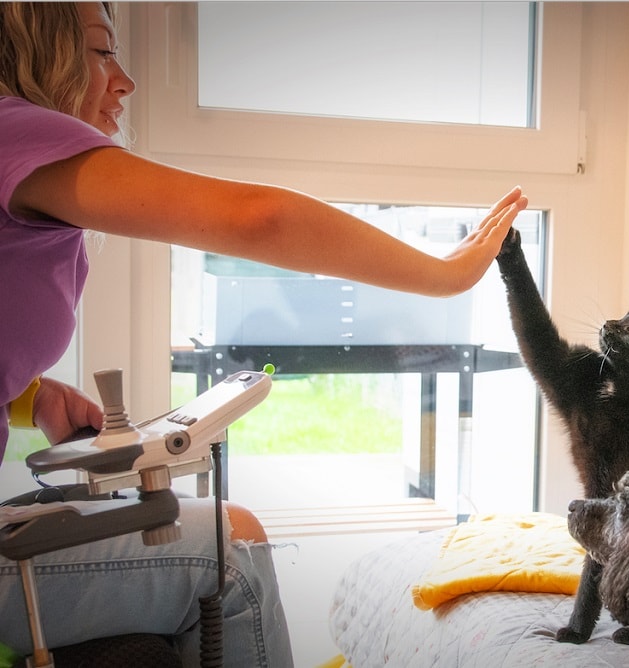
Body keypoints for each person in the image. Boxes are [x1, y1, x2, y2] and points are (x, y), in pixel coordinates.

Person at [0, 2, 528, 665]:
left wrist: (34, 396)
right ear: (37, 52)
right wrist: (450, 274)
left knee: (230, 532)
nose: (124, 80)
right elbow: (261, 219)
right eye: (103, 52)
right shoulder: (14, 131)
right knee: (236, 556)